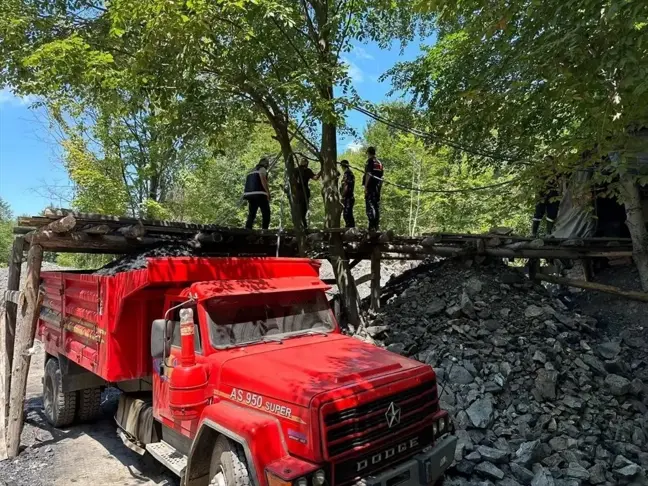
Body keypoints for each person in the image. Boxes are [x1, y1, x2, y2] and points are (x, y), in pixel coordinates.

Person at [531, 164, 560, 237]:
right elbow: (536, 183)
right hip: (541, 195)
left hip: (553, 195)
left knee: (552, 214)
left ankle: (548, 233)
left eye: (549, 161)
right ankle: (533, 233)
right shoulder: (540, 171)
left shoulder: (557, 172)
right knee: (538, 213)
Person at [243, 157, 271, 229]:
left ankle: (247, 229)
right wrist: (268, 192)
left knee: (252, 213)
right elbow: (263, 180)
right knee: (266, 213)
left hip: (250, 195)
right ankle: (265, 230)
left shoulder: (251, 171)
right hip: (260, 194)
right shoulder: (262, 169)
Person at [295, 157, 320, 229]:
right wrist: (321, 171)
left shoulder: (295, 170)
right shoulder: (307, 170)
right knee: (303, 211)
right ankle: (303, 227)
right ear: (306, 163)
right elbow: (315, 178)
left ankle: (302, 227)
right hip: (303, 193)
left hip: (296, 193)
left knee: (299, 212)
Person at [363, 146, 383, 231]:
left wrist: (366, 187)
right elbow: (382, 177)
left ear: (368, 153)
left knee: (370, 206)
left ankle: (371, 227)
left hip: (371, 187)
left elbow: (368, 174)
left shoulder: (370, 161)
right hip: (377, 187)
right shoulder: (379, 163)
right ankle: (376, 226)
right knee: (376, 206)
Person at [339, 159, 355, 227]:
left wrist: (342, 196)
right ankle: (350, 227)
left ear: (343, 166)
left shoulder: (347, 173)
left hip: (348, 197)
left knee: (347, 214)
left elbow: (346, 186)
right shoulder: (350, 173)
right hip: (349, 197)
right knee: (348, 213)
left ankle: (350, 229)